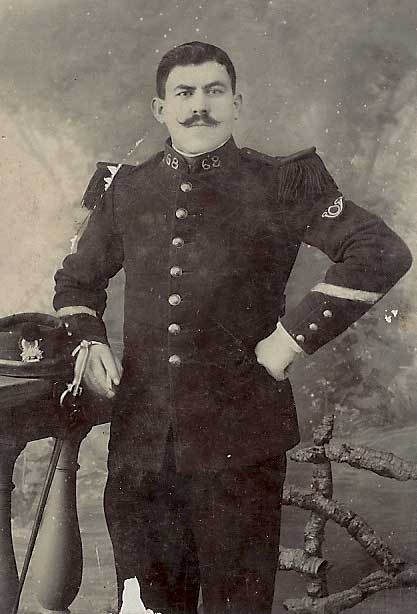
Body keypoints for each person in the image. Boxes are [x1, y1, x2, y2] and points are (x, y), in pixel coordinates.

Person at [53, 41, 412, 614]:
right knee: (146, 603)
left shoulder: (282, 183)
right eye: (184, 93)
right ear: (160, 109)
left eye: (214, 91)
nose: (200, 106)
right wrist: (89, 340)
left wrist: (290, 340)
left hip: (240, 442)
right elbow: (76, 282)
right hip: (142, 446)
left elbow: (380, 250)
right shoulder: (128, 188)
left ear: (237, 103)